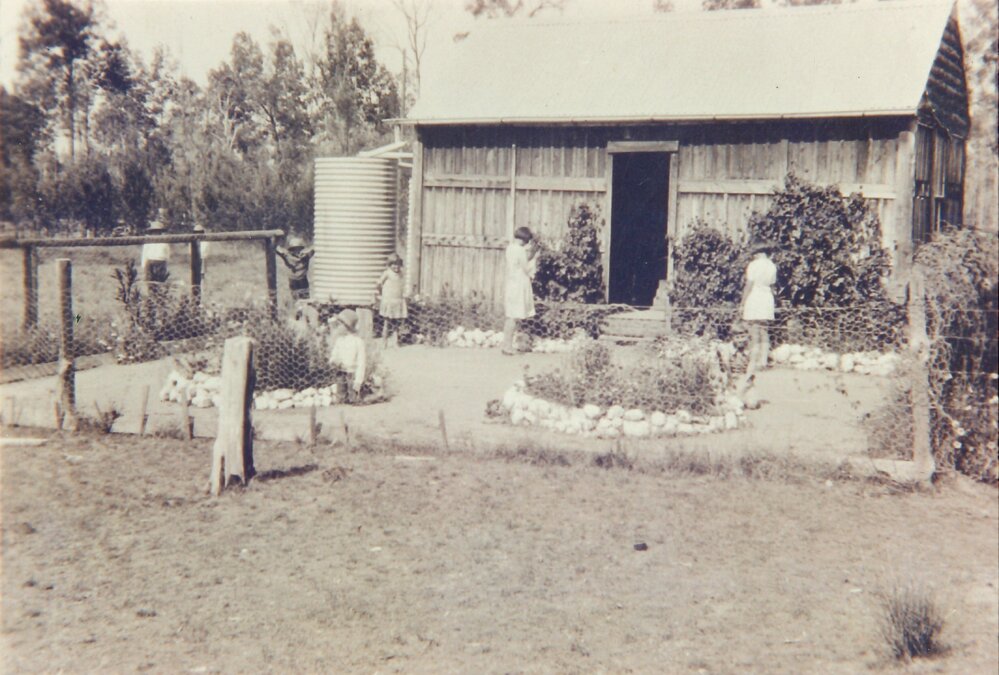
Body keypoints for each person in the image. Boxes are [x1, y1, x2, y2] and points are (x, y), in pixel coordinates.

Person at [741, 240, 778, 376]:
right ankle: (763, 360)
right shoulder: (772, 266)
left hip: (755, 297)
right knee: (764, 330)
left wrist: (743, 302)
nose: (754, 256)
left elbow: (749, 285)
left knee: (754, 330)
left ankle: (754, 361)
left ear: (760, 253)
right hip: (767, 297)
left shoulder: (753, 265)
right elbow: (772, 285)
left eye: (756, 253)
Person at [502, 226, 538, 355]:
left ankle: (506, 344)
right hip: (519, 283)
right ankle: (508, 347)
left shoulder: (510, 248)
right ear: (525, 239)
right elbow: (526, 267)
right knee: (514, 316)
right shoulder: (520, 250)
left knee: (510, 316)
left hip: (511, 282)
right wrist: (534, 259)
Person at [329, 309, 367, 403]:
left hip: (352, 374)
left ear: (347, 327)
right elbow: (334, 354)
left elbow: (361, 363)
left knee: (354, 399)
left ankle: (364, 394)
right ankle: (342, 396)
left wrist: (358, 381)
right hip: (341, 372)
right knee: (341, 399)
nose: (337, 327)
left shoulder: (358, 342)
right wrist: (334, 361)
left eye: (339, 325)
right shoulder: (339, 340)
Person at [375, 253, 407, 347]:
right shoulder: (387, 273)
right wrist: (379, 294)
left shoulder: (401, 273)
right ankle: (384, 342)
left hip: (397, 300)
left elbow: (401, 285)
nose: (396, 266)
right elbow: (379, 283)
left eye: (397, 264)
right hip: (389, 301)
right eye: (393, 264)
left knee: (397, 323)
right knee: (387, 322)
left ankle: (396, 341)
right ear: (389, 265)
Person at [275, 235, 315, 301]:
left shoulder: (305, 256)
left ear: (301, 248)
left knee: (305, 299)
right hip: (293, 281)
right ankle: (296, 309)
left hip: (303, 280)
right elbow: (277, 249)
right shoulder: (287, 256)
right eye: (294, 249)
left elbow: (314, 248)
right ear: (291, 250)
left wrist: (306, 251)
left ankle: (303, 309)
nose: (296, 251)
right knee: (295, 299)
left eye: (298, 249)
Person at [140, 209, 170, 286]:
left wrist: (166, 262)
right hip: (150, 261)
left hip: (161, 261)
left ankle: (158, 295)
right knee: (150, 282)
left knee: (160, 282)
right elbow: (145, 253)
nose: (156, 233)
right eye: (154, 231)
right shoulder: (148, 240)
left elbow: (167, 252)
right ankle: (151, 295)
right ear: (151, 232)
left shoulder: (164, 241)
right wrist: (144, 265)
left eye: (158, 231)